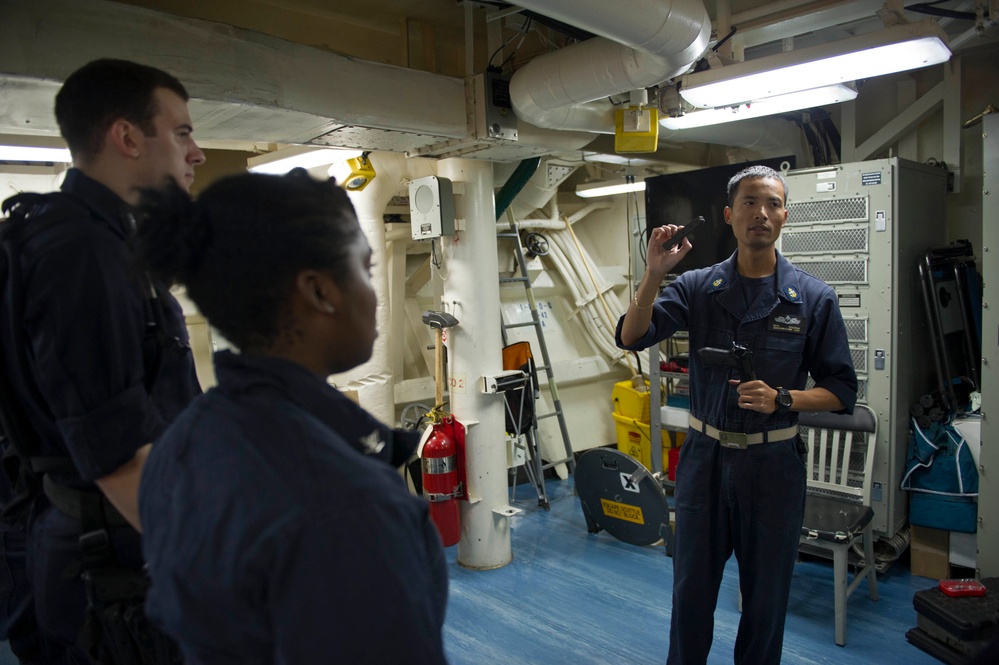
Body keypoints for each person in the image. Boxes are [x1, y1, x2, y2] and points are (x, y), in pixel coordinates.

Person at [131, 170, 450, 664]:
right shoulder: (346, 506)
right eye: (365, 271)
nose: (373, 295)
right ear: (319, 292)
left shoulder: (183, 443)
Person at [0, 58, 206, 663]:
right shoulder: (83, 253)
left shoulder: (84, 238)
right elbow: (115, 455)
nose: (196, 152)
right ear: (126, 137)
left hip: (103, 546)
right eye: (183, 132)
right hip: (114, 568)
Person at [617, 165, 857, 664]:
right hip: (705, 461)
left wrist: (783, 399)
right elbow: (633, 336)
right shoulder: (698, 287)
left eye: (771, 204)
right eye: (749, 203)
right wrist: (654, 274)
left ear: (784, 216)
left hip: (773, 467)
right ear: (730, 215)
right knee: (691, 595)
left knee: (766, 602)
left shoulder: (813, 298)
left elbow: (840, 390)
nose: (761, 214)